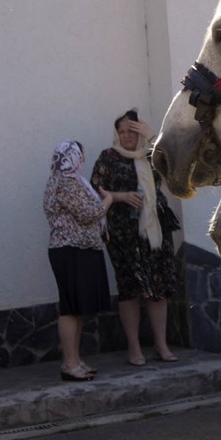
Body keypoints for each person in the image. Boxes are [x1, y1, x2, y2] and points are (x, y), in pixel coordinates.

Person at [92, 110, 182, 366]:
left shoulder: (152, 153)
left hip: (155, 231)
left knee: (159, 287)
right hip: (123, 234)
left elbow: (173, 167)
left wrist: (152, 137)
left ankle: (161, 345)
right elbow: (95, 190)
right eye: (121, 132)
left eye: (131, 131)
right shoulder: (108, 157)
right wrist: (120, 197)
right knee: (130, 288)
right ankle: (134, 349)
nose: (126, 136)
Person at [44, 140, 115, 381]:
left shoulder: (71, 181)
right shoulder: (65, 182)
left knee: (77, 310)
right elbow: (89, 214)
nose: (82, 160)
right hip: (70, 250)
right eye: (80, 155)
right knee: (70, 309)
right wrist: (109, 200)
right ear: (72, 157)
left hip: (80, 249)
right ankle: (69, 363)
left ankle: (75, 360)